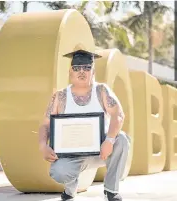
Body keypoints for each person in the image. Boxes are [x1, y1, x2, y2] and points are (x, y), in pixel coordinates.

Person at [38, 49, 130, 201]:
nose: (82, 71)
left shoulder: (101, 91)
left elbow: (118, 114)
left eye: (87, 68)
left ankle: (111, 190)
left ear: (93, 72)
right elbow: (45, 125)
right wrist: (43, 145)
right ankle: (71, 187)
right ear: (70, 72)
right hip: (71, 156)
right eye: (77, 68)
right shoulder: (60, 96)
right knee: (58, 171)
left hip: (101, 150)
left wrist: (109, 140)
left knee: (122, 140)